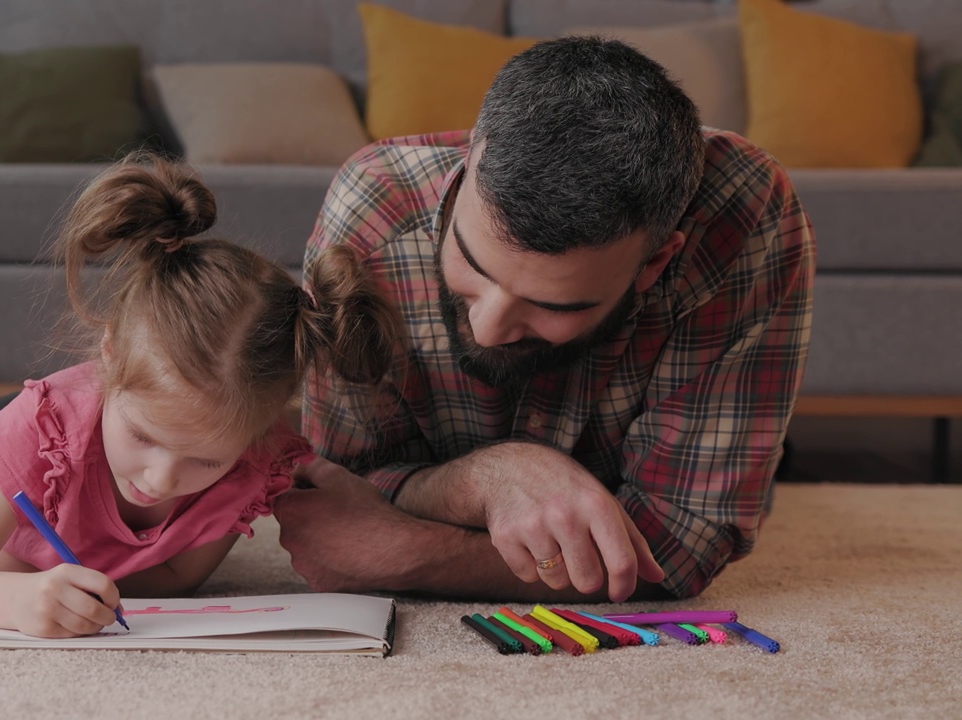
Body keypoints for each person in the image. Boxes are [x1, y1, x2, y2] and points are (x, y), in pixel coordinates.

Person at [275, 37, 816, 603]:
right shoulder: (374, 207)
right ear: (468, 164)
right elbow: (339, 490)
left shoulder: (744, 213)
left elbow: (681, 547)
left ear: (656, 262)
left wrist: (410, 555)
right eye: (471, 265)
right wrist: (487, 481)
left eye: (555, 306)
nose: (487, 329)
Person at [0, 155, 400, 638]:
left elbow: (179, 579)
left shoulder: (256, 459)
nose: (161, 479)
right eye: (143, 435)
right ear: (111, 352)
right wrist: (16, 598)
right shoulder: (43, 431)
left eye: (205, 461)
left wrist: (91, 591)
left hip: (83, 451)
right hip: (24, 438)